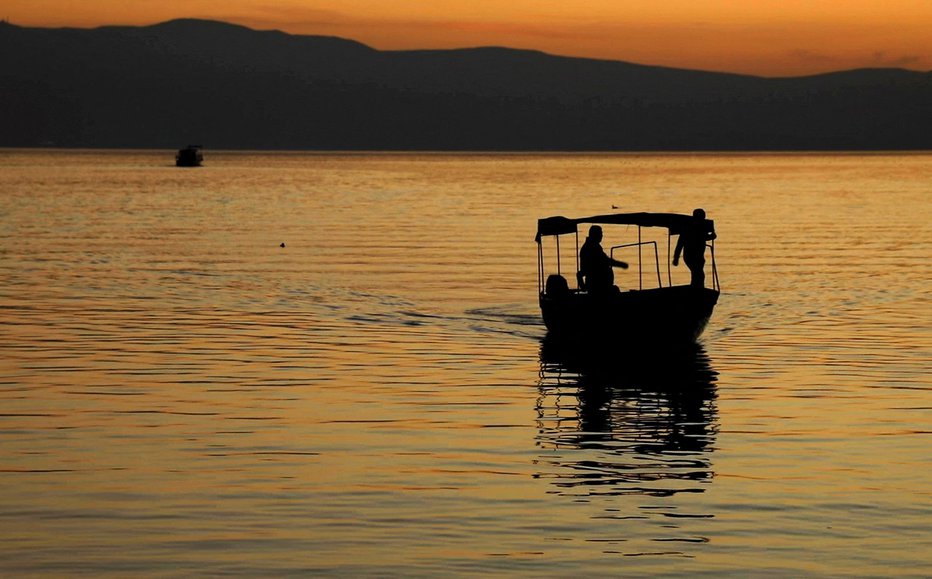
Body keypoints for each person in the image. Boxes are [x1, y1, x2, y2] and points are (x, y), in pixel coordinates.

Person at [673, 208, 717, 288]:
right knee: (698, 274)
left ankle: (697, 288)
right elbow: (680, 244)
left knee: (698, 274)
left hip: (699, 257)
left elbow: (706, 237)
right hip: (690, 256)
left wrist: (713, 235)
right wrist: (676, 258)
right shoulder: (687, 229)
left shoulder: (700, 229)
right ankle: (697, 289)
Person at [579, 225, 628, 293]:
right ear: (595, 235)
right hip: (598, 286)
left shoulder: (595, 247)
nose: (602, 236)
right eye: (600, 233)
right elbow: (605, 260)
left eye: (602, 233)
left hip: (601, 284)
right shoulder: (591, 248)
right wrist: (620, 264)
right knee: (615, 290)